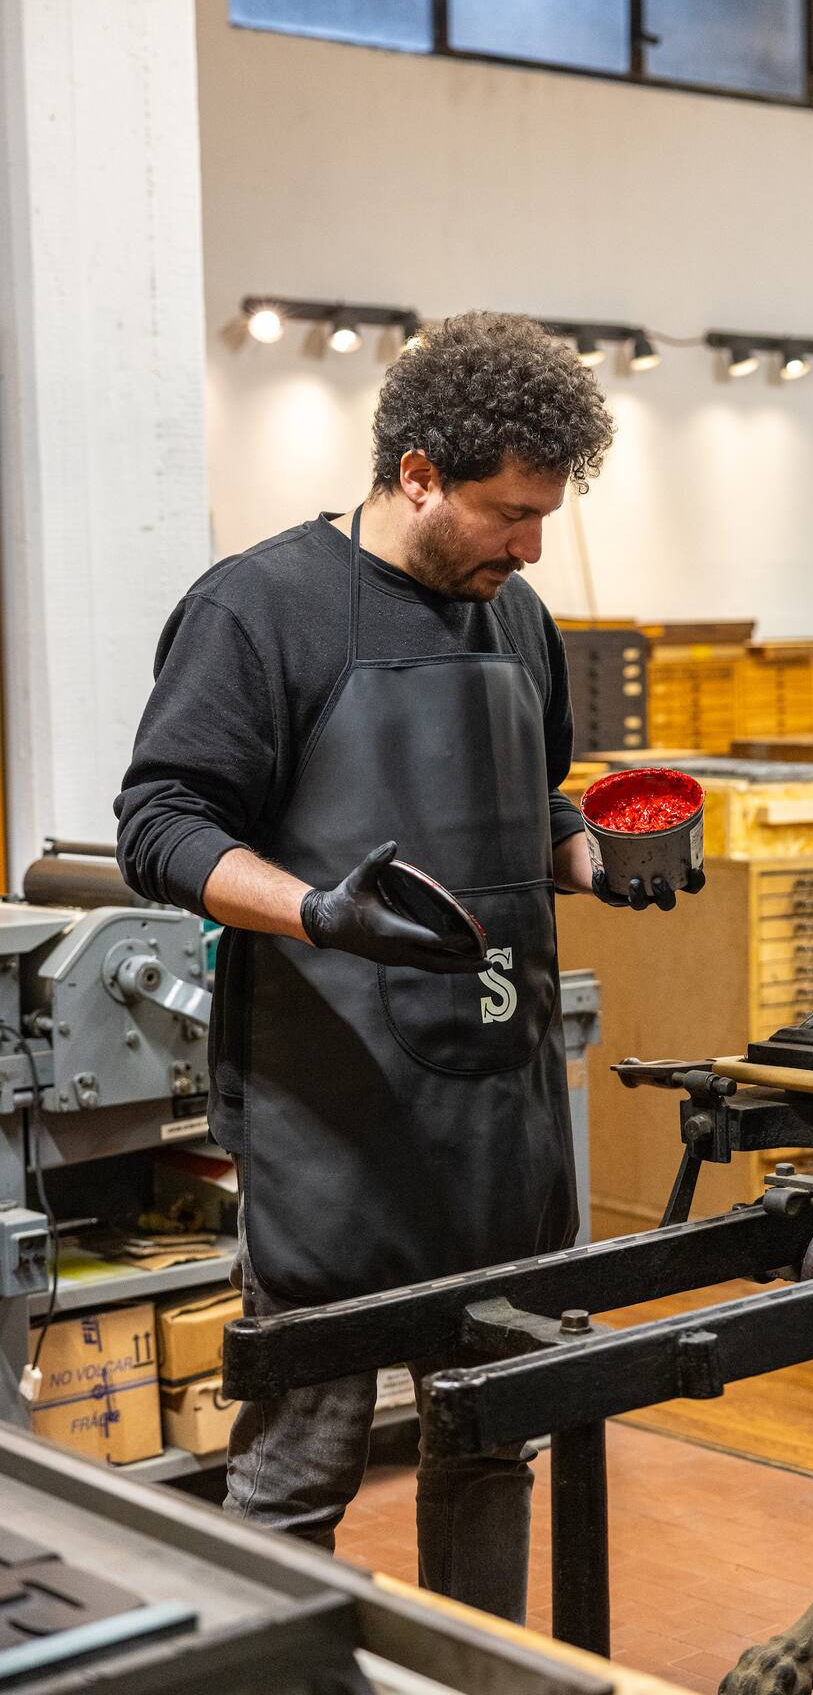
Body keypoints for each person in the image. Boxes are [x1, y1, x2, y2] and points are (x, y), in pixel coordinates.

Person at [114, 311, 703, 1622]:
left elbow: (536, 807)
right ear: (418, 474)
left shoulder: (521, 619)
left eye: (549, 516)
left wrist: (604, 864)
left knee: (492, 1441)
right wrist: (318, 909)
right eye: (509, 512)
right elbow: (159, 826)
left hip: (498, 1107)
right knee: (299, 1468)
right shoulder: (260, 609)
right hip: (337, 1116)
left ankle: (470, 1668)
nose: (532, 545)